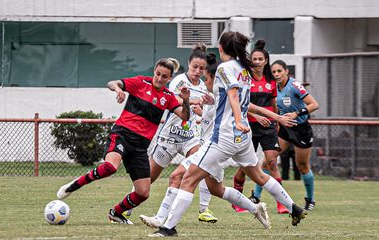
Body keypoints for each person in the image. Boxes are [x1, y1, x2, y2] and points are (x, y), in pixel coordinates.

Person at [148, 31, 307, 237]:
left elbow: (233, 94)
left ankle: (168, 229)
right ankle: (294, 208)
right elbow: (244, 102)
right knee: (258, 175)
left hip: (223, 137)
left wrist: (239, 120)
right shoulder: (244, 70)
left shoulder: (225, 68)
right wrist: (275, 117)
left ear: (222, 48)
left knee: (187, 179)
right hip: (242, 137)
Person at [56, 58, 191, 224]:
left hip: (140, 147)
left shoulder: (168, 97)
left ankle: (116, 213)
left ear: (169, 79)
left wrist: (185, 100)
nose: (159, 78)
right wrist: (118, 89)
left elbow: (185, 116)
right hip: (123, 134)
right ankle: (74, 185)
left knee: (143, 193)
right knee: (110, 167)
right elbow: (112, 83)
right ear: (154, 71)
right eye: (157, 74)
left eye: (164, 76)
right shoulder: (141, 82)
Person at [139, 52, 219, 228]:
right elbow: (171, 99)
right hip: (170, 136)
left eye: (202, 68)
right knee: (148, 177)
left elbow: (214, 105)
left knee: (202, 165)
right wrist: (191, 101)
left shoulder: (207, 86)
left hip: (191, 137)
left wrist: (207, 104)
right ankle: (126, 207)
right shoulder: (179, 81)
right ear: (188, 64)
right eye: (194, 67)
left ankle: (204, 210)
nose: (198, 71)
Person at [231, 39, 288, 214]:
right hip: (249, 127)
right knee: (246, 165)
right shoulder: (245, 79)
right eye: (254, 59)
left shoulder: (271, 81)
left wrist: (276, 121)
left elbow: (273, 103)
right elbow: (239, 104)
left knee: (271, 162)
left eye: (260, 59)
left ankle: (281, 203)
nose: (256, 62)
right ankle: (237, 200)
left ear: (266, 61)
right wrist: (254, 115)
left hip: (268, 127)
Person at [271, 60, 319, 211]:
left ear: (286, 71)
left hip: (301, 129)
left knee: (302, 166)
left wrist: (297, 113)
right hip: (285, 129)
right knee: (269, 160)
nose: (277, 74)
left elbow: (314, 105)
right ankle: (256, 197)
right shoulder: (273, 87)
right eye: (274, 72)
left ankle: (310, 199)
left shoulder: (295, 85)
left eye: (279, 71)